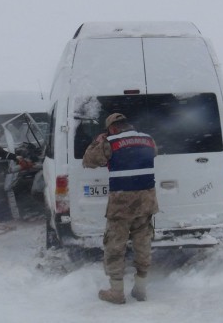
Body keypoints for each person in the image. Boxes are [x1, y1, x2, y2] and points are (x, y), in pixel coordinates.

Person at [82, 113, 159, 304]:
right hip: (146, 200)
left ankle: (116, 292)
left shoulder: (111, 141)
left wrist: (97, 141)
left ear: (112, 128)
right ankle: (140, 289)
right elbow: (153, 153)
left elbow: (88, 161)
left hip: (122, 203)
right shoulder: (148, 139)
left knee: (115, 246)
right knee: (143, 244)